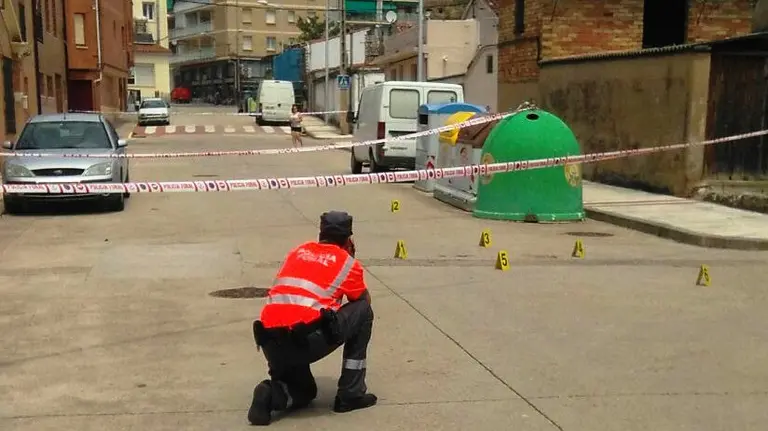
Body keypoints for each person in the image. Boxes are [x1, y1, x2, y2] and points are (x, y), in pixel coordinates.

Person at [248, 211, 377, 426]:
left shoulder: (297, 251)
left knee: (305, 391)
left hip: (270, 341)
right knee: (363, 312)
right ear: (348, 239)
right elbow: (363, 300)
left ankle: (270, 395)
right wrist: (350, 257)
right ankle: (350, 394)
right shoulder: (346, 262)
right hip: (305, 340)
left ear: (320, 233)